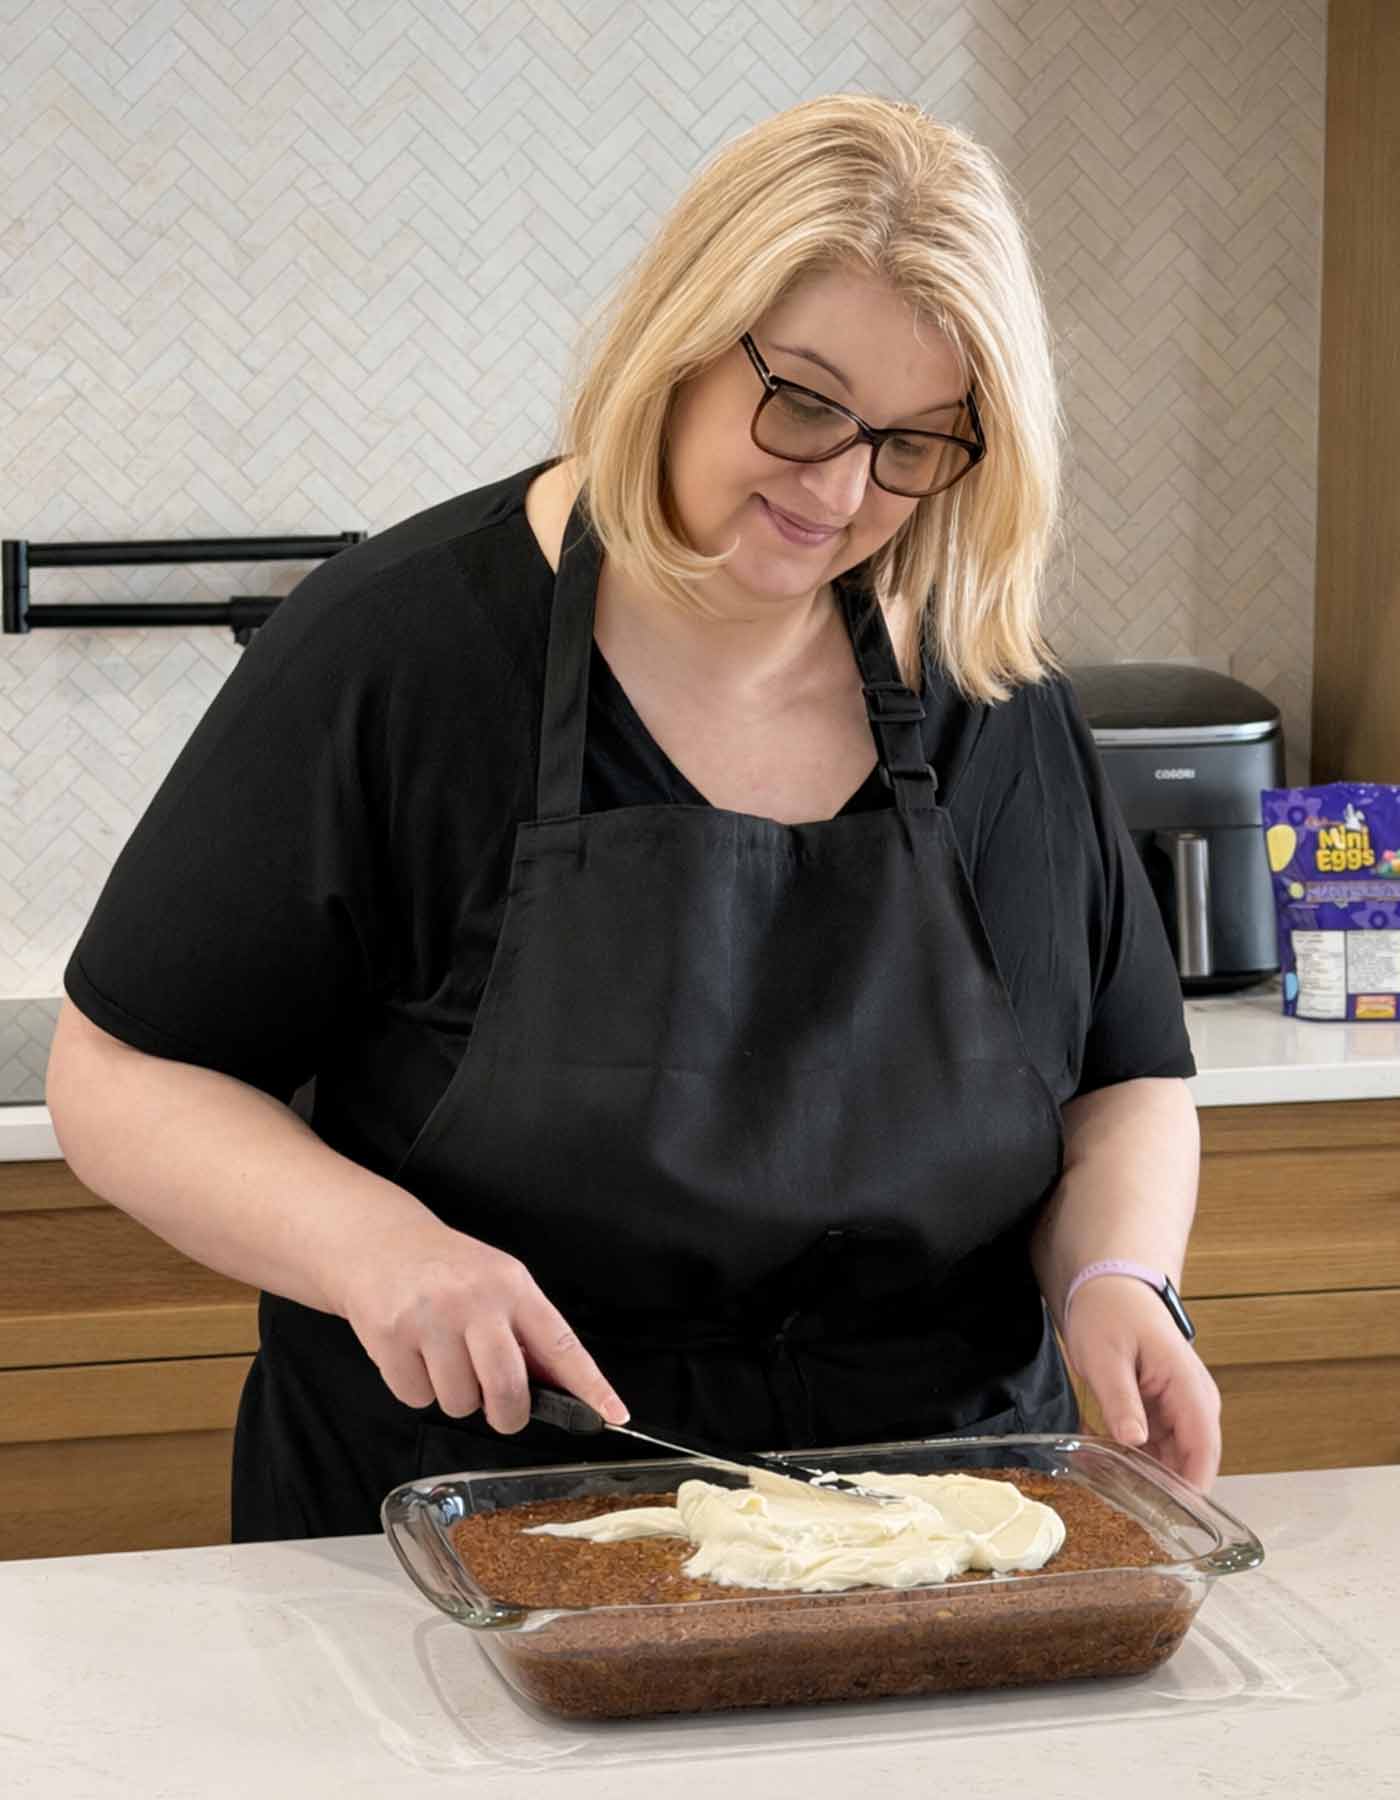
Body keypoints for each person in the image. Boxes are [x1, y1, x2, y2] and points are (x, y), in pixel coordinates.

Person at [45, 93, 1221, 1543]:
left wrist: (1119, 1276)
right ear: (680, 338)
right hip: (473, 1529)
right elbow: (117, 1075)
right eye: (801, 400)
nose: (842, 487)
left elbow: (1123, 1075)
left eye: (917, 446)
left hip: (942, 1532)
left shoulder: (988, 691)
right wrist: (376, 1249)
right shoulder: (404, 659)